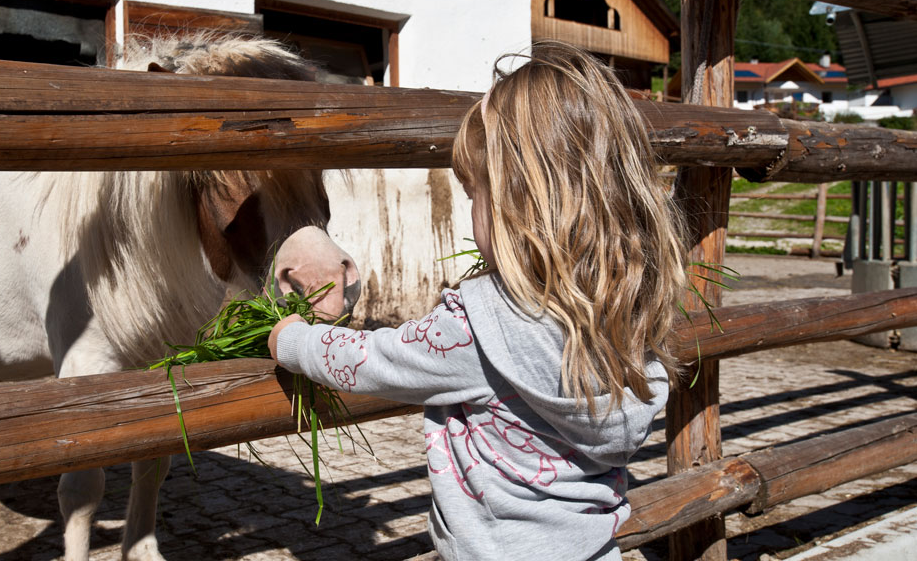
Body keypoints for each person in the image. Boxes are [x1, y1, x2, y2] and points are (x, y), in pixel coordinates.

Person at [268, 40, 688, 561]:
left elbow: (372, 360)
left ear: (520, 201)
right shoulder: (627, 317)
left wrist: (293, 339)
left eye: (476, 194)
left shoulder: (479, 322)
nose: (472, 210)